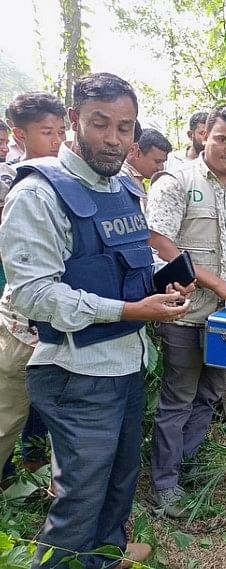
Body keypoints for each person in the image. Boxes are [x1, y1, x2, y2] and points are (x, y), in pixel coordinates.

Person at [0, 72, 192, 568]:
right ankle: (65, 561)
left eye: (124, 128)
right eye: (100, 124)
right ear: (73, 121)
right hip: (76, 372)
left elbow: (129, 261)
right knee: (80, 493)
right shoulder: (37, 195)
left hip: (127, 360)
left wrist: (163, 280)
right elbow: (35, 296)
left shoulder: (124, 189)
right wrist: (129, 310)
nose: (114, 138)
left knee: (120, 476)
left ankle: (106, 553)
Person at [147, 104, 226, 517]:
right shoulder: (176, 181)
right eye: (222, 139)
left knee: (210, 394)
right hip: (186, 313)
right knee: (178, 397)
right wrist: (219, 285)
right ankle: (163, 485)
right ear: (204, 136)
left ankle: (186, 465)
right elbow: (159, 240)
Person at [0, 92, 67, 485]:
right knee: (8, 415)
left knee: (60, 421)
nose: (56, 141)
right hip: (21, 327)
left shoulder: (62, 181)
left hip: (54, 325)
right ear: (18, 133)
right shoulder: (17, 184)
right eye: (46, 132)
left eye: (61, 131)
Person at [121, 128, 172, 210]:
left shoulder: (136, 179)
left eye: (163, 162)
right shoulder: (121, 179)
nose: (161, 168)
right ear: (137, 153)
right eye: (157, 161)